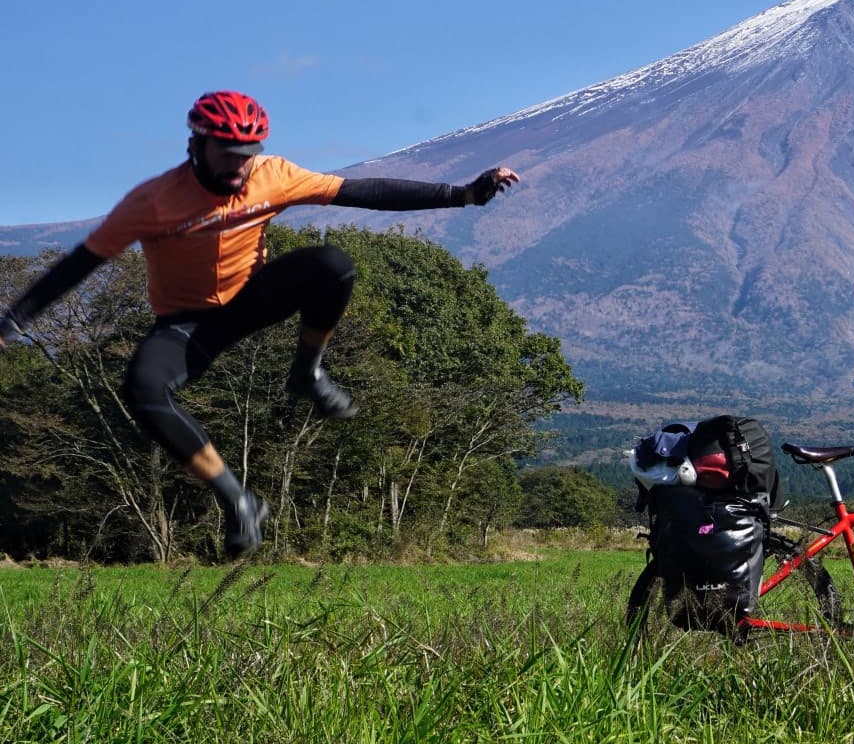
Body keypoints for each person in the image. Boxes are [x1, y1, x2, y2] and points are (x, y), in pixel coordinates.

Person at [0, 91, 521, 559]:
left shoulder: (272, 174)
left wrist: (465, 194)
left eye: (247, 154)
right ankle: (239, 501)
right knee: (143, 388)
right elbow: (80, 263)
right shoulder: (153, 202)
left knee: (333, 265)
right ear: (197, 144)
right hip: (187, 324)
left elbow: (365, 191)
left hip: (251, 298)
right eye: (228, 153)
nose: (240, 165)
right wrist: (15, 318)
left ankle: (309, 373)